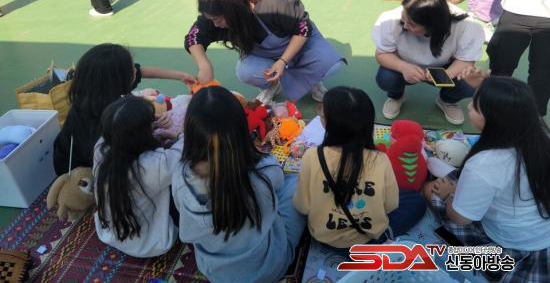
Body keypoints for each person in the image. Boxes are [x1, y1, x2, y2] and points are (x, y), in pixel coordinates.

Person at [172, 86, 306, 283]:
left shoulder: (179, 174)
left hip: (215, 271)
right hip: (269, 266)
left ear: (191, 133)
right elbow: (278, 182)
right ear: (242, 128)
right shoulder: (263, 169)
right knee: (296, 182)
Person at [423, 77, 550, 283]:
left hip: (511, 246)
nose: (468, 106)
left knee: (430, 190)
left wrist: (448, 196)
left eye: (475, 106)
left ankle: (478, 262)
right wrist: (486, 84)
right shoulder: (541, 135)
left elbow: (461, 218)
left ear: (494, 120)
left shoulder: (484, 164)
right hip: (542, 233)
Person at [293, 87, 426, 249]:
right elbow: (391, 205)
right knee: (416, 200)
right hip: (367, 239)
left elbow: (302, 206)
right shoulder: (381, 159)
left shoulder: (311, 156)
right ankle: (381, 240)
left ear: (328, 123)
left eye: (322, 110)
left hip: (324, 238)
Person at [185, 0, 345, 104]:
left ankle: (313, 80)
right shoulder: (215, 17)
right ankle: (272, 86)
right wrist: (204, 65)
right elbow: (193, 36)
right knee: (246, 72)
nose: (215, 25)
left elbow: (302, 28)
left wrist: (283, 61)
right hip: (267, 54)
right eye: (211, 20)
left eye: (218, 19)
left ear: (233, 11)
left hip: (299, 44)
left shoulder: (270, 3)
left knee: (330, 64)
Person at [53, 43, 196, 175]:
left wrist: (181, 76)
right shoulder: (107, 122)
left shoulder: (99, 90)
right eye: (131, 69)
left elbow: (142, 71)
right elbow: (130, 156)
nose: (136, 70)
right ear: (119, 80)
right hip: (81, 174)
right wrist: (153, 128)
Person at [372, 0, 484, 125]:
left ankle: (447, 101)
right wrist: (403, 67)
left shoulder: (465, 26)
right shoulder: (391, 19)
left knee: (468, 83)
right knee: (386, 78)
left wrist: (445, 75)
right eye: (403, 19)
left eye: (412, 24)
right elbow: (381, 54)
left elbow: (466, 60)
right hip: (404, 63)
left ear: (433, 26)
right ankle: (396, 96)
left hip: (445, 66)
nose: (405, 26)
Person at [94, 95, 182, 257]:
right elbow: (189, 147)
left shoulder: (100, 148)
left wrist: (151, 125)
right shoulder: (155, 165)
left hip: (110, 233)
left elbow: (124, 134)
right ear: (143, 133)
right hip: (152, 243)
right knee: (188, 175)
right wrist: (175, 135)